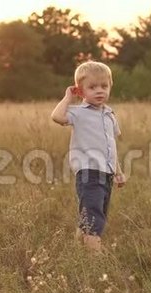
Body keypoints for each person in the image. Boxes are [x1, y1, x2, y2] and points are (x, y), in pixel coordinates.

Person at [50, 61, 126, 252]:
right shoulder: (78, 113)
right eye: (92, 87)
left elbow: (110, 146)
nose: (99, 91)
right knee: (93, 220)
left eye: (104, 86)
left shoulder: (109, 115)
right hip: (89, 174)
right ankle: (98, 261)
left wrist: (118, 171)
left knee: (94, 215)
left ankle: (77, 251)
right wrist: (68, 98)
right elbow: (57, 117)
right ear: (80, 91)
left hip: (106, 174)